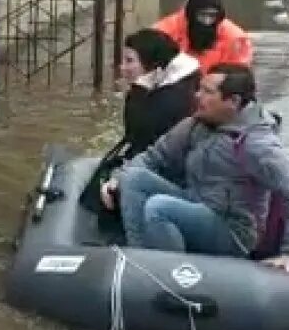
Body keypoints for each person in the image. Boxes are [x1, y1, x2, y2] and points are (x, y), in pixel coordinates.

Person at [100, 64, 289, 280]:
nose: (197, 95)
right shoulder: (196, 125)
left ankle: (169, 276)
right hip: (197, 203)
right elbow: (153, 157)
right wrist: (116, 179)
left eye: (207, 92)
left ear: (233, 101)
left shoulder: (257, 144)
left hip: (232, 228)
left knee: (159, 207)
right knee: (134, 178)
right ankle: (142, 262)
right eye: (199, 88)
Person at [80, 30, 200, 220]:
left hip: (170, 177)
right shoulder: (167, 89)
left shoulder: (172, 99)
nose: (122, 68)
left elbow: (139, 137)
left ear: (155, 66)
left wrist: (138, 91)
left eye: (130, 61)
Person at [154, 0, 253, 74]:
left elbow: (240, 77)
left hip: (216, 88)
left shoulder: (236, 39)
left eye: (212, 16)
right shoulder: (163, 32)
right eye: (202, 15)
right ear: (191, 14)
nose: (207, 21)